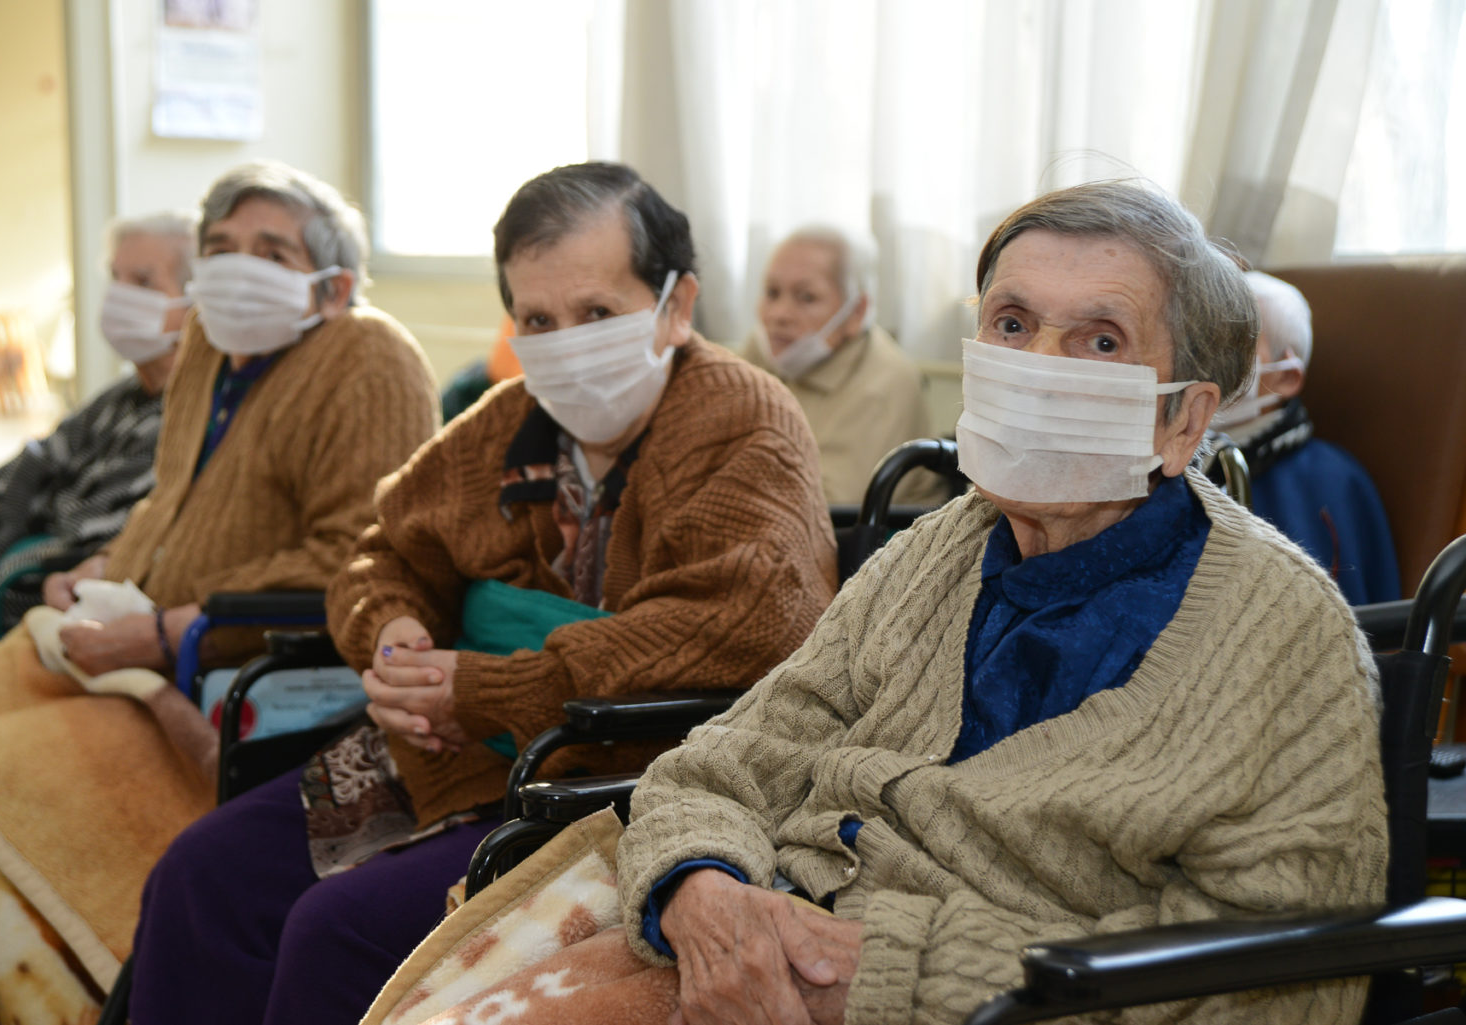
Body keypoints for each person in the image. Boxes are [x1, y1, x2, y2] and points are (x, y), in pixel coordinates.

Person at [424, 181, 1387, 1025]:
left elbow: (1278, 977)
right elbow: (722, 764)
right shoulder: (937, 548)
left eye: (1099, 339)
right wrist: (702, 889)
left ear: (1185, 419)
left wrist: (884, 974)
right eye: (1012, 324)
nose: (1039, 364)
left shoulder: (1288, 637)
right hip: (749, 940)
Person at [124, 160, 838, 1025]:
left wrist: (487, 687)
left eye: (596, 314)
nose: (564, 341)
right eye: (537, 319)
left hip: (632, 779)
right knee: (203, 874)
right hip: (457, 751)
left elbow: (740, 624)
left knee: (335, 933)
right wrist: (389, 631)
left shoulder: (742, 418)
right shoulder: (506, 422)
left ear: (676, 305)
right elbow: (380, 549)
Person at [0, 160, 439, 1022]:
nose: (236, 267)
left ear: (334, 283)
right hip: (117, 644)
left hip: (226, 674)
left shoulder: (370, 358)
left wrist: (166, 630)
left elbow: (356, 561)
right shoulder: (207, 343)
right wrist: (102, 572)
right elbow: (169, 504)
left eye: (270, 251)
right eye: (220, 247)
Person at [0, 212, 196, 656]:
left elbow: (79, 548)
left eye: (144, 282)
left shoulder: (186, 419)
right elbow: (13, 487)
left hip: (23, 619)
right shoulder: (117, 400)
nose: (120, 295)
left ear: (193, 303)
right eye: (116, 278)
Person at [1209, 270, 1399, 605]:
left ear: (1286, 377)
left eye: (1235, 341)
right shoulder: (1170, 458)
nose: (1205, 357)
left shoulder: (1327, 482)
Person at [740, 226, 943, 506]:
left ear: (856, 311)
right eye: (772, 293)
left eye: (806, 297)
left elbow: (827, 508)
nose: (778, 314)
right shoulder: (767, 348)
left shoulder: (884, 383)